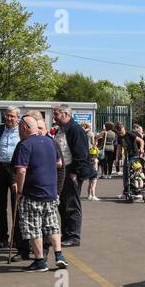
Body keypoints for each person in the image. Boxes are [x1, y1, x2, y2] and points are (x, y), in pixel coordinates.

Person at [11, 112, 67, 272]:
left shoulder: (25, 145)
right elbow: (59, 163)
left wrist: (19, 191)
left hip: (32, 193)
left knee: (33, 227)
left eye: (20, 128)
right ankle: (59, 255)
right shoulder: (50, 142)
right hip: (50, 192)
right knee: (52, 224)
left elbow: (21, 171)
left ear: (24, 128)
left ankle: (40, 260)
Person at [53, 105, 91, 246]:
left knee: (71, 204)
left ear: (65, 114)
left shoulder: (75, 129)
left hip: (71, 172)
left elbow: (81, 154)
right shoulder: (61, 129)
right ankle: (66, 233)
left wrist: (75, 172)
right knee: (62, 205)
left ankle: (73, 236)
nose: (54, 117)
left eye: (56, 114)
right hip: (63, 171)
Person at [0, 107, 22, 248]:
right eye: (7, 116)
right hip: (0, 168)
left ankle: (17, 238)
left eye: (12, 116)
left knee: (15, 204)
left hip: (15, 169)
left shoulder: (22, 131)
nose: (9, 119)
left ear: (17, 117)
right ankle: (2, 237)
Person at [84, 122, 101, 201]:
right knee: (94, 165)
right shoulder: (91, 134)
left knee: (89, 182)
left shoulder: (83, 133)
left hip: (85, 152)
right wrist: (96, 144)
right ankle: (93, 195)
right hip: (91, 151)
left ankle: (89, 195)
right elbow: (93, 144)